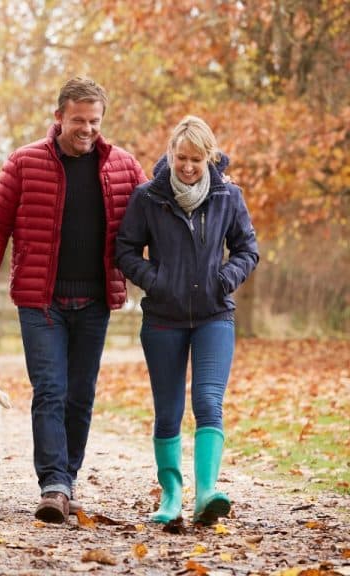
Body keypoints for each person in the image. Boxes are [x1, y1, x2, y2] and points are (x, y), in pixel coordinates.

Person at [0, 76, 147, 523]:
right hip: (40, 301)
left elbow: (155, 217)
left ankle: (66, 480)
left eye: (95, 121)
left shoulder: (123, 167)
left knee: (80, 395)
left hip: (95, 302)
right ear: (58, 117)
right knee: (50, 389)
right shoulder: (24, 163)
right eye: (78, 121)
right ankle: (53, 483)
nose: (87, 129)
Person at [115, 115, 259, 525]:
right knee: (168, 410)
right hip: (163, 319)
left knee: (209, 402)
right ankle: (172, 494)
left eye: (197, 159)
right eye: (182, 158)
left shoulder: (228, 197)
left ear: (209, 157)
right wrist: (155, 282)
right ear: (171, 155)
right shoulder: (148, 198)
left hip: (214, 315)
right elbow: (125, 251)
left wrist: (224, 279)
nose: (189, 166)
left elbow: (247, 249)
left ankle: (207, 492)